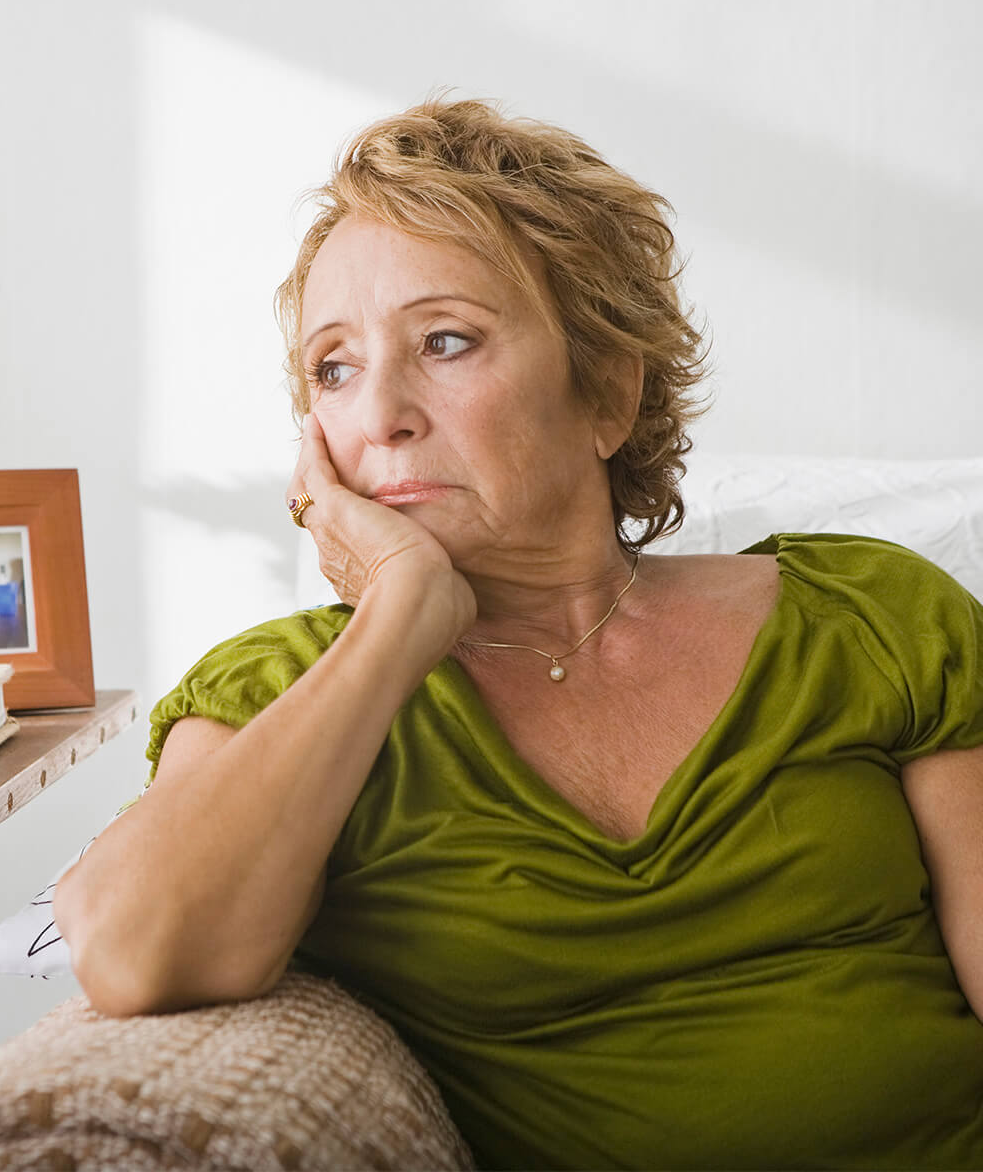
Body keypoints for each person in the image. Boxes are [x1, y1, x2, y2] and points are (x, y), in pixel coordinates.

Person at [54, 98, 983, 1169]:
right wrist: (399, 619)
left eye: (445, 341)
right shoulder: (288, 692)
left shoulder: (875, 615)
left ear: (607, 395)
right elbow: (133, 954)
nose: (380, 413)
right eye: (334, 368)